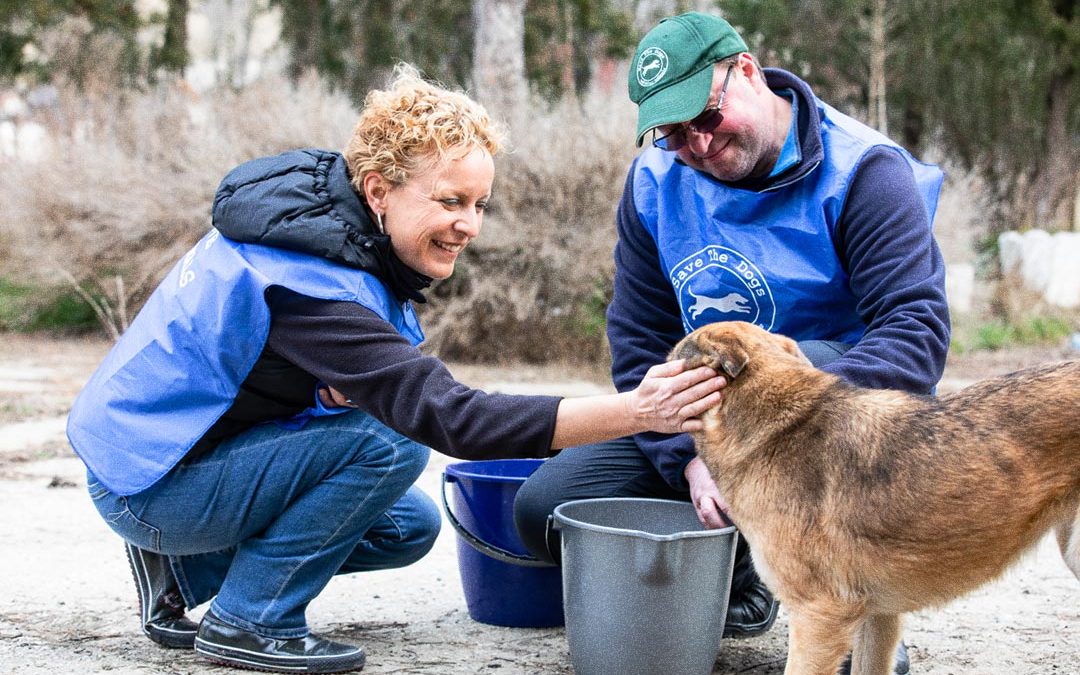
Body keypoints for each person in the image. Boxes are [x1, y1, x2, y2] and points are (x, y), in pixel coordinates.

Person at [66, 65, 727, 674]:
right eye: (450, 200)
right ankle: (249, 620)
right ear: (378, 189)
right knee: (390, 443)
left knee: (406, 525)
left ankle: (182, 573)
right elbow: (451, 417)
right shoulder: (313, 280)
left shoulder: (319, 223)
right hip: (151, 481)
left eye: (479, 204)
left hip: (160, 459)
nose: (469, 224)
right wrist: (636, 411)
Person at [513, 12, 949, 675]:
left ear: (746, 70)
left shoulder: (865, 172)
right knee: (545, 510)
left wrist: (752, 447)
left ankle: (851, 604)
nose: (697, 144)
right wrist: (688, 456)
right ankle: (743, 578)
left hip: (840, 423)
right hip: (706, 421)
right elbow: (638, 343)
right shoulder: (654, 184)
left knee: (813, 372)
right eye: (673, 134)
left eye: (706, 117)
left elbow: (914, 333)